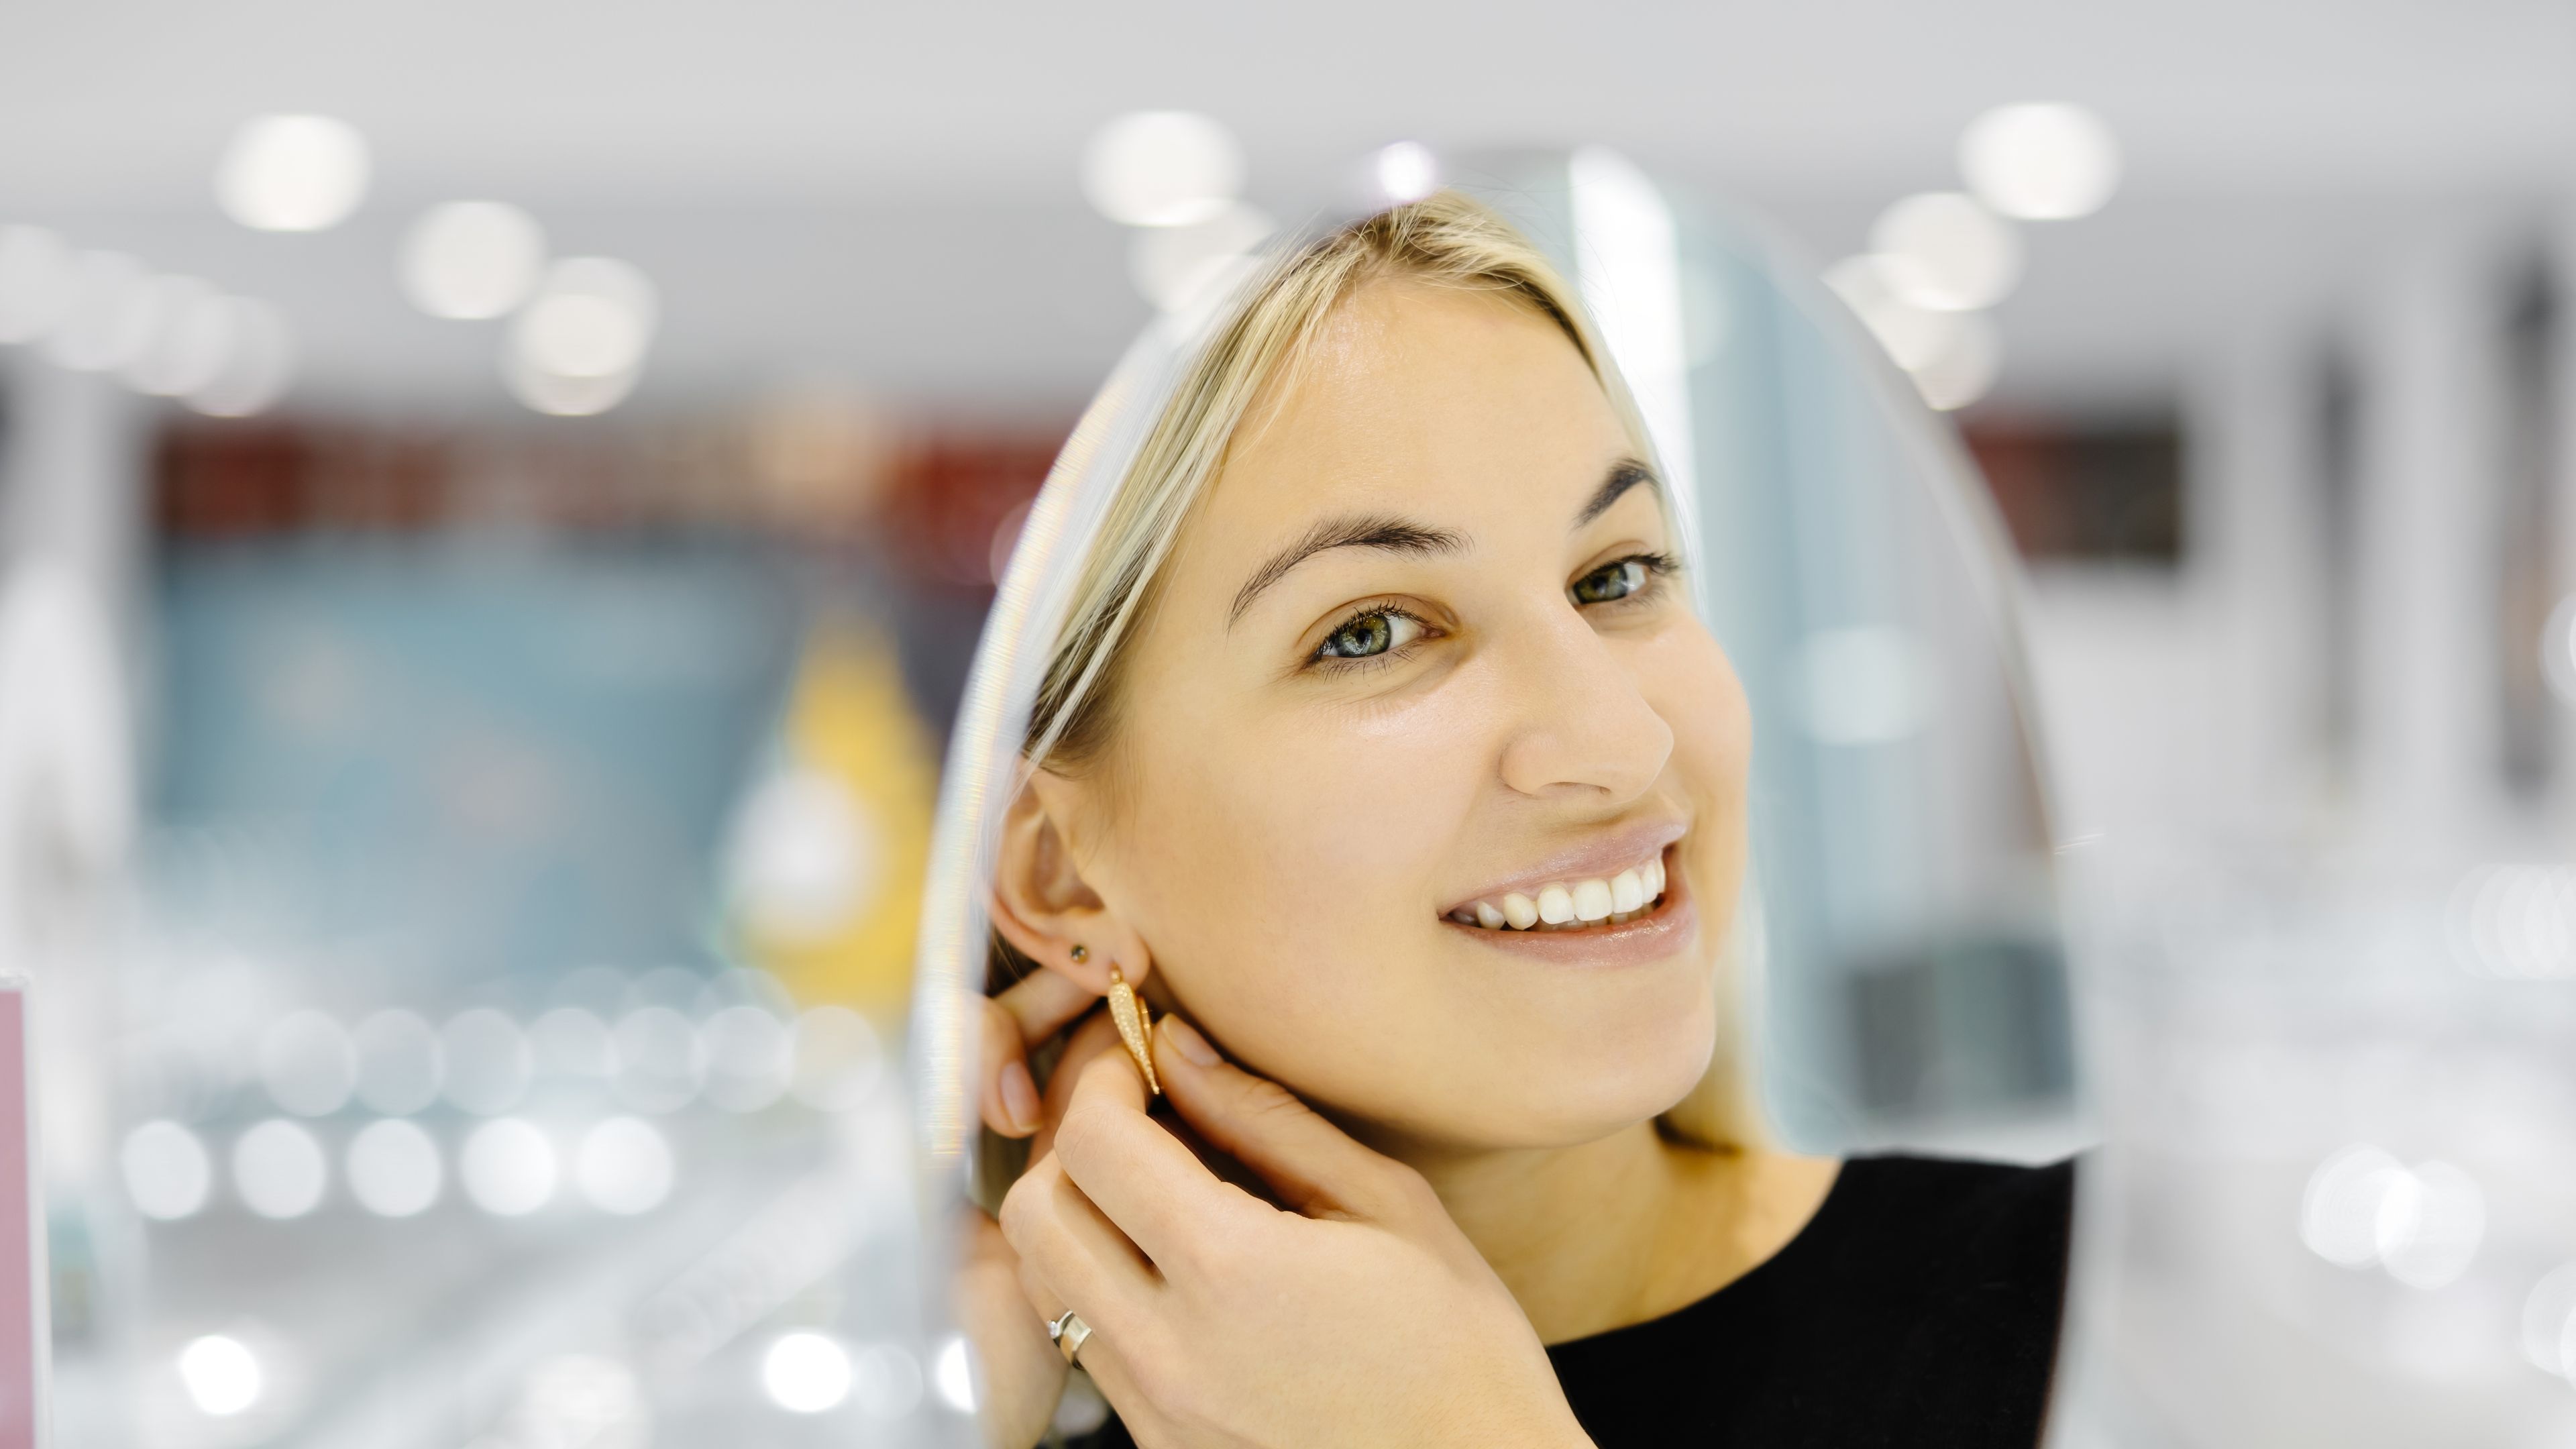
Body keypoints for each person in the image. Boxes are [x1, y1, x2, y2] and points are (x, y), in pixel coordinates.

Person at [951, 194, 2072, 1448]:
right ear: (1061, 881)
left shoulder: (2096, 1315)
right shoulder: (990, 1408)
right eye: (1372, 631)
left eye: (1617, 576)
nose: (1618, 739)